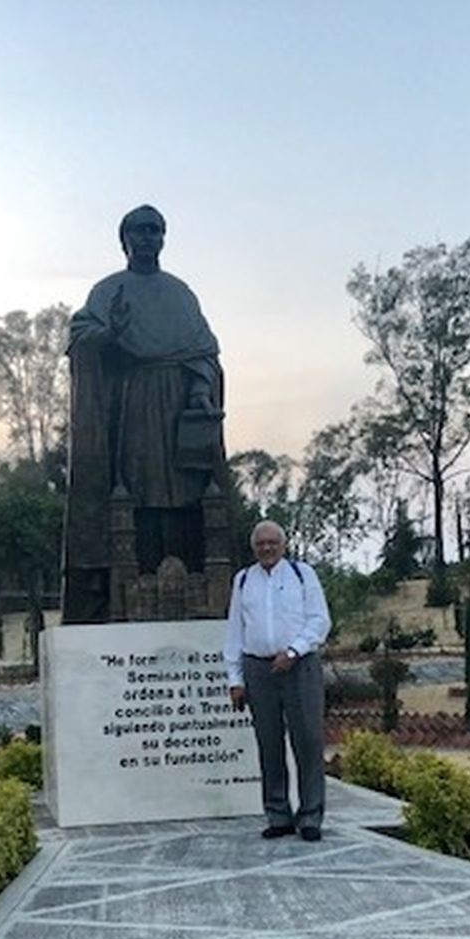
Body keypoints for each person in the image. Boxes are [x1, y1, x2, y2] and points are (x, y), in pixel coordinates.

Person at [61, 204, 227, 623]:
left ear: (164, 238)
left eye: (156, 230)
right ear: (125, 240)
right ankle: (130, 582)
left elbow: (204, 351)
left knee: (189, 493)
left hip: (180, 407)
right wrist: (110, 334)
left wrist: (202, 389)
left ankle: (192, 579)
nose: (149, 237)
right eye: (140, 230)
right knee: (137, 488)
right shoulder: (107, 291)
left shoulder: (180, 293)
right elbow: (82, 338)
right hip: (133, 404)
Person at [224, 520, 332, 841]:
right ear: (254, 548)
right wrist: (235, 679)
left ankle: (310, 815)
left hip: (299, 666)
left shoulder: (302, 575)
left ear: (283, 545)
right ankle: (278, 814)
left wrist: (295, 651)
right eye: (261, 544)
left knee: (308, 741)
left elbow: (319, 620)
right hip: (259, 669)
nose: (266, 548)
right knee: (268, 744)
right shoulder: (243, 580)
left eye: (272, 543)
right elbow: (235, 632)